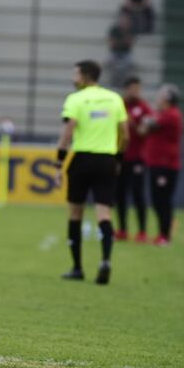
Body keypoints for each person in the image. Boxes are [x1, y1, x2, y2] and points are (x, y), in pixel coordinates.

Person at [54, 60, 128, 285]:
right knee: (104, 214)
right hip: (106, 159)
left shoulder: (76, 99)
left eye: (76, 74)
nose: (73, 78)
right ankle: (105, 260)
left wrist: (59, 164)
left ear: (85, 76)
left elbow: (68, 132)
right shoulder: (114, 99)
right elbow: (125, 134)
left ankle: (77, 268)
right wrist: (118, 159)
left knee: (76, 213)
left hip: (82, 160)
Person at [139, 84, 183, 246]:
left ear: (168, 99)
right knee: (157, 199)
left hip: (165, 165)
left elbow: (147, 126)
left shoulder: (172, 115)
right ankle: (162, 234)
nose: (157, 99)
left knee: (162, 200)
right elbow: (143, 129)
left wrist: (147, 121)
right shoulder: (163, 114)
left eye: (161, 96)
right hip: (156, 163)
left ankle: (165, 235)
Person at [115, 76, 152, 242]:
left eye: (138, 89)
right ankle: (122, 229)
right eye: (133, 89)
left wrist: (133, 124)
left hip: (137, 157)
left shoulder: (143, 108)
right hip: (120, 156)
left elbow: (145, 131)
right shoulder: (118, 105)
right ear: (126, 89)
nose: (135, 92)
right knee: (120, 193)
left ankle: (142, 231)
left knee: (138, 194)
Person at [107, 12, 134, 88]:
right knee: (111, 63)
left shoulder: (130, 30)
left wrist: (119, 42)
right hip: (115, 53)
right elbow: (112, 43)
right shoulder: (114, 30)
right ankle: (114, 84)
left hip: (126, 53)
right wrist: (122, 42)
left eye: (126, 21)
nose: (124, 23)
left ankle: (124, 84)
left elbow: (129, 43)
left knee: (128, 63)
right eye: (123, 21)